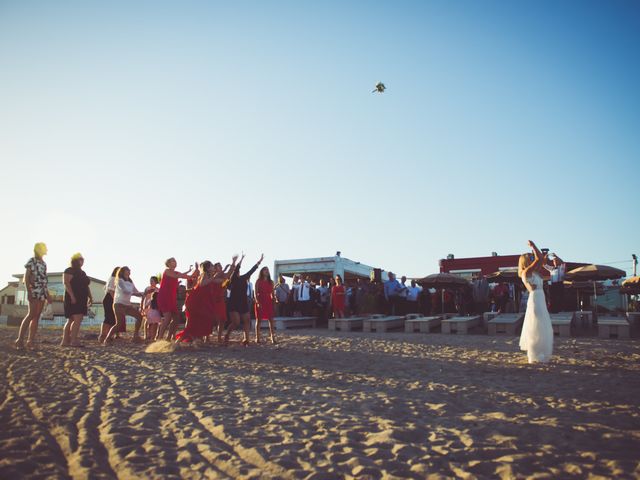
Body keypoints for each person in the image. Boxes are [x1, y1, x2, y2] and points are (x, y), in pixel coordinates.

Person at [518, 240, 554, 364]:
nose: (532, 258)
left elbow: (541, 260)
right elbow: (539, 259)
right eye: (530, 257)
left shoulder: (534, 272)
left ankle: (539, 353)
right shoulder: (526, 272)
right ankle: (533, 355)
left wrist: (539, 251)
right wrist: (533, 246)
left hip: (540, 298)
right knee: (535, 327)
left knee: (541, 327)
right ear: (525, 261)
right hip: (535, 300)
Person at [15, 242, 50, 350]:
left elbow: (44, 279)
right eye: (45, 248)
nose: (47, 250)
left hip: (42, 292)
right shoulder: (32, 261)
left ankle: (30, 341)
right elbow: (26, 277)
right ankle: (19, 340)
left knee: (37, 316)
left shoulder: (44, 263)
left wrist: (48, 294)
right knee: (31, 314)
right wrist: (29, 292)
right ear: (39, 249)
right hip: (34, 290)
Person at [224, 254, 263, 346]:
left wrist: (259, 261)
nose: (237, 271)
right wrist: (241, 259)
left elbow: (252, 270)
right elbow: (237, 268)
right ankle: (227, 335)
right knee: (236, 322)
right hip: (233, 303)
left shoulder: (243, 278)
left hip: (243, 301)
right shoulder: (232, 279)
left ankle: (246, 339)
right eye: (236, 270)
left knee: (247, 320)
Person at [156, 258, 194, 341]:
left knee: (176, 318)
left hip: (172, 298)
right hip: (164, 297)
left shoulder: (175, 273)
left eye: (175, 261)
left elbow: (183, 276)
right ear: (168, 263)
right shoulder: (167, 271)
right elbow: (178, 275)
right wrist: (189, 274)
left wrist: (191, 274)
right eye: (173, 261)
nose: (175, 262)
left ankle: (168, 338)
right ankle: (159, 338)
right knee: (168, 317)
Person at [105, 266, 144, 344]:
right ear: (123, 272)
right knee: (119, 323)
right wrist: (137, 293)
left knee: (139, 317)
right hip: (119, 304)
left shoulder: (130, 281)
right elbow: (125, 291)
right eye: (127, 270)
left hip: (127, 305)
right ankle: (107, 338)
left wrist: (144, 294)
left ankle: (135, 336)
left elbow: (136, 291)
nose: (129, 271)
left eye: (129, 270)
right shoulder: (119, 280)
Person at [61, 253, 91, 347]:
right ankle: (72, 340)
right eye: (80, 259)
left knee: (74, 319)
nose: (82, 261)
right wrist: (72, 296)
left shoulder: (83, 273)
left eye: (83, 259)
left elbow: (86, 286)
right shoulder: (69, 270)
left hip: (82, 298)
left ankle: (66, 341)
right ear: (75, 260)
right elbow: (66, 283)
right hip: (73, 297)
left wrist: (90, 296)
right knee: (74, 319)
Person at [254, 266, 277, 344]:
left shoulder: (271, 282)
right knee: (259, 320)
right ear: (261, 272)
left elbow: (273, 294)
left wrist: (274, 301)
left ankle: (273, 338)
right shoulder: (258, 281)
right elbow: (255, 293)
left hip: (269, 301)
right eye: (265, 270)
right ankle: (257, 337)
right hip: (260, 300)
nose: (266, 271)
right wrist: (257, 301)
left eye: (267, 270)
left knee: (271, 320)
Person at [98, 266, 119, 343]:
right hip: (109, 299)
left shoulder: (117, 280)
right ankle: (102, 335)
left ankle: (108, 335)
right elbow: (111, 291)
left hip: (112, 299)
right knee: (108, 317)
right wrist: (115, 300)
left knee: (112, 318)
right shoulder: (113, 279)